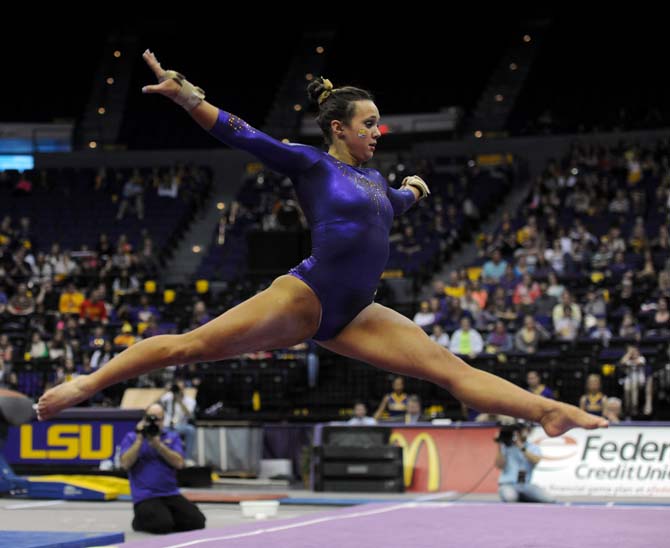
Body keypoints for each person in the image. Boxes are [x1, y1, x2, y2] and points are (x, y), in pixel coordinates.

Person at [36, 50, 608, 438]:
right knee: (192, 346)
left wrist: (411, 189)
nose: (377, 133)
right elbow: (244, 134)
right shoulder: (311, 164)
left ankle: (546, 411)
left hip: (355, 311)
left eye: (379, 125)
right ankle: (88, 383)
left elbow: (393, 206)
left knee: (447, 368)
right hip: (306, 295)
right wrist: (188, 97)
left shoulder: (377, 181)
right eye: (369, 124)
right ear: (339, 128)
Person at [119, 403, 205, 534]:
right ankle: (140, 521)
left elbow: (179, 463)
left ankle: (165, 517)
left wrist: (158, 445)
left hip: (170, 493)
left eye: (157, 419)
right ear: (144, 419)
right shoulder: (132, 437)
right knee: (162, 525)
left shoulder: (172, 437)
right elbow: (125, 464)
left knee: (198, 521)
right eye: (150, 418)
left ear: (163, 420)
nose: (154, 422)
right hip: (145, 496)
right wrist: (139, 440)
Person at [495, 422, 555, 503]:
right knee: (511, 498)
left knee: (550, 499)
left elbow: (536, 460)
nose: (525, 433)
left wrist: (520, 446)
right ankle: (521, 497)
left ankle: (524, 497)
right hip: (508, 484)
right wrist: (499, 446)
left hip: (525, 485)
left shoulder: (533, 447)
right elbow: (499, 465)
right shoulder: (506, 447)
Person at [160, 380, 197, 464]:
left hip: (180, 426)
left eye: (180, 388)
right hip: (166, 426)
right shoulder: (168, 396)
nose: (178, 390)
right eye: (177, 388)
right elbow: (157, 402)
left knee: (191, 430)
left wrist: (179, 401)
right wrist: (165, 390)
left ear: (184, 389)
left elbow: (189, 415)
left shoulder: (190, 401)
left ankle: (188, 458)